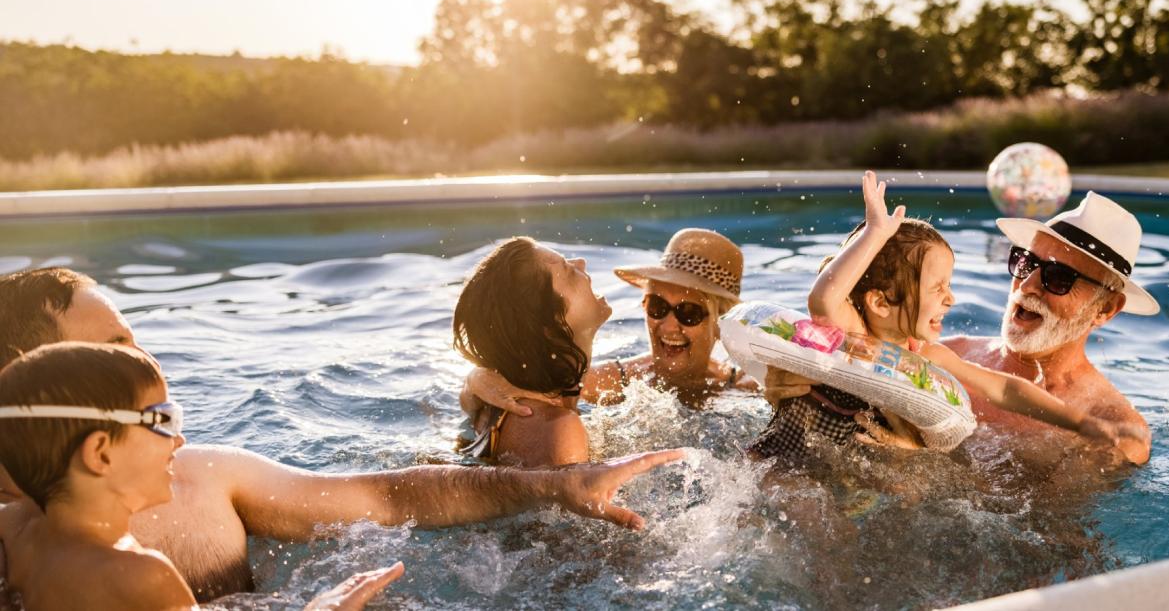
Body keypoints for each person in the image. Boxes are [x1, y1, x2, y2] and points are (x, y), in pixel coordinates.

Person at [0, 267, 685, 603]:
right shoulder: (47, 548)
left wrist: (559, 485)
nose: (147, 357)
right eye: (116, 347)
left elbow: (390, 495)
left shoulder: (206, 475)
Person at [753, 172, 1145, 462]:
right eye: (1025, 262)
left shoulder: (1112, 430)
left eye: (1059, 278)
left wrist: (921, 464)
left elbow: (1042, 534)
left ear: (1106, 309)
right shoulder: (937, 350)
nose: (1028, 284)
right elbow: (824, 303)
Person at [0, 342, 405, 610]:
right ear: (101, 453)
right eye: (162, 420)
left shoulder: (25, 548)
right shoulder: (143, 574)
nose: (180, 439)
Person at [460, 228, 759, 418]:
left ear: (720, 324)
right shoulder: (620, 380)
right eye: (656, 307)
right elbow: (530, 382)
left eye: (688, 313)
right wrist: (478, 379)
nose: (668, 327)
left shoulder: (748, 387)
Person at [454, 237, 610, 467]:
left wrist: (474, 379)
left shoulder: (491, 401)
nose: (581, 263)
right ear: (551, 323)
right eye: (567, 269)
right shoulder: (559, 428)